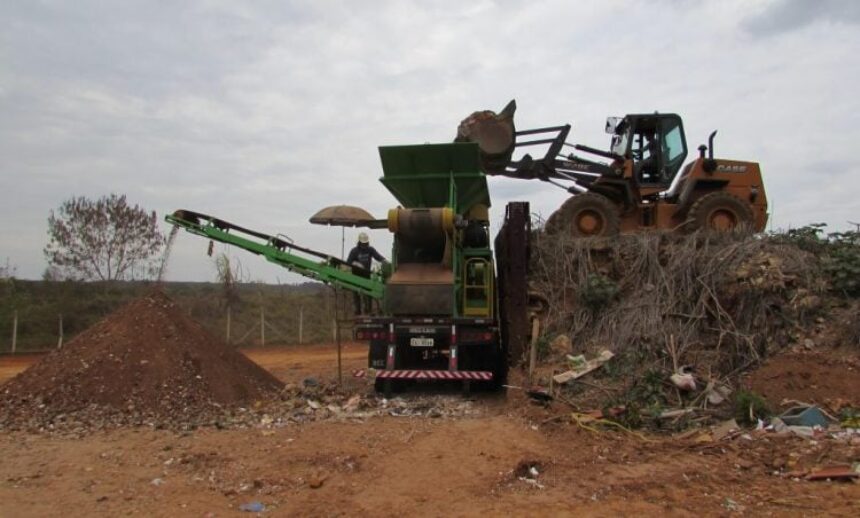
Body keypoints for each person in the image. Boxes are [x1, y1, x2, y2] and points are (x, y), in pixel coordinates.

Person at [346, 232, 386, 315]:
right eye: (363, 243)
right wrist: (355, 264)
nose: (364, 245)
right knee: (356, 295)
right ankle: (358, 312)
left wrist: (385, 261)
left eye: (365, 243)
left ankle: (368, 311)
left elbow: (378, 257)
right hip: (356, 276)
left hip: (366, 275)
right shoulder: (354, 251)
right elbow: (348, 263)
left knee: (368, 295)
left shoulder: (370, 249)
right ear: (359, 242)